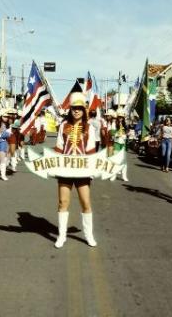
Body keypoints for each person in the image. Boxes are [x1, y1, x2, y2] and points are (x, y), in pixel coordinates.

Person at [53, 92, 98, 248]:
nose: (76, 111)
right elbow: (59, 146)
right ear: (70, 109)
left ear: (84, 110)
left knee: (85, 202)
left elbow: (91, 149)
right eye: (74, 108)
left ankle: (89, 235)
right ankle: (62, 236)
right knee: (63, 202)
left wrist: (91, 169)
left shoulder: (89, 127)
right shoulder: (63, 126)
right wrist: (55, 165)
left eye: (79, 108)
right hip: (65, 168)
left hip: (82, 170)